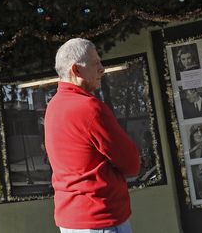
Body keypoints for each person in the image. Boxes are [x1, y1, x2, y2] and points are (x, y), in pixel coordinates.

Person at [44, 38, 141, 233]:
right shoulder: (90, 108)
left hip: (71, 220)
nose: (102, 69)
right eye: (96, 63)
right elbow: (132, 163)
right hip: (101, 218)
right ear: (76, 70)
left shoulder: (53, 107)